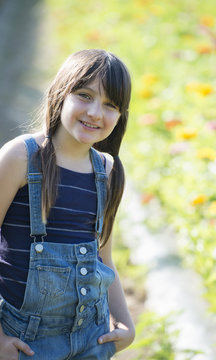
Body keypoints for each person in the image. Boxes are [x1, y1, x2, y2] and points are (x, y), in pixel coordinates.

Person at [0, 49, 135, 359]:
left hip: (91, 337)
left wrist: (126, 324)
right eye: (84, 96)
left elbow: (104, 256)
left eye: (110, 105)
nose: (95, 113)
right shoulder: (22, 157)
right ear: (61, 92)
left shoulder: (109, 172)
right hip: (25, 341)